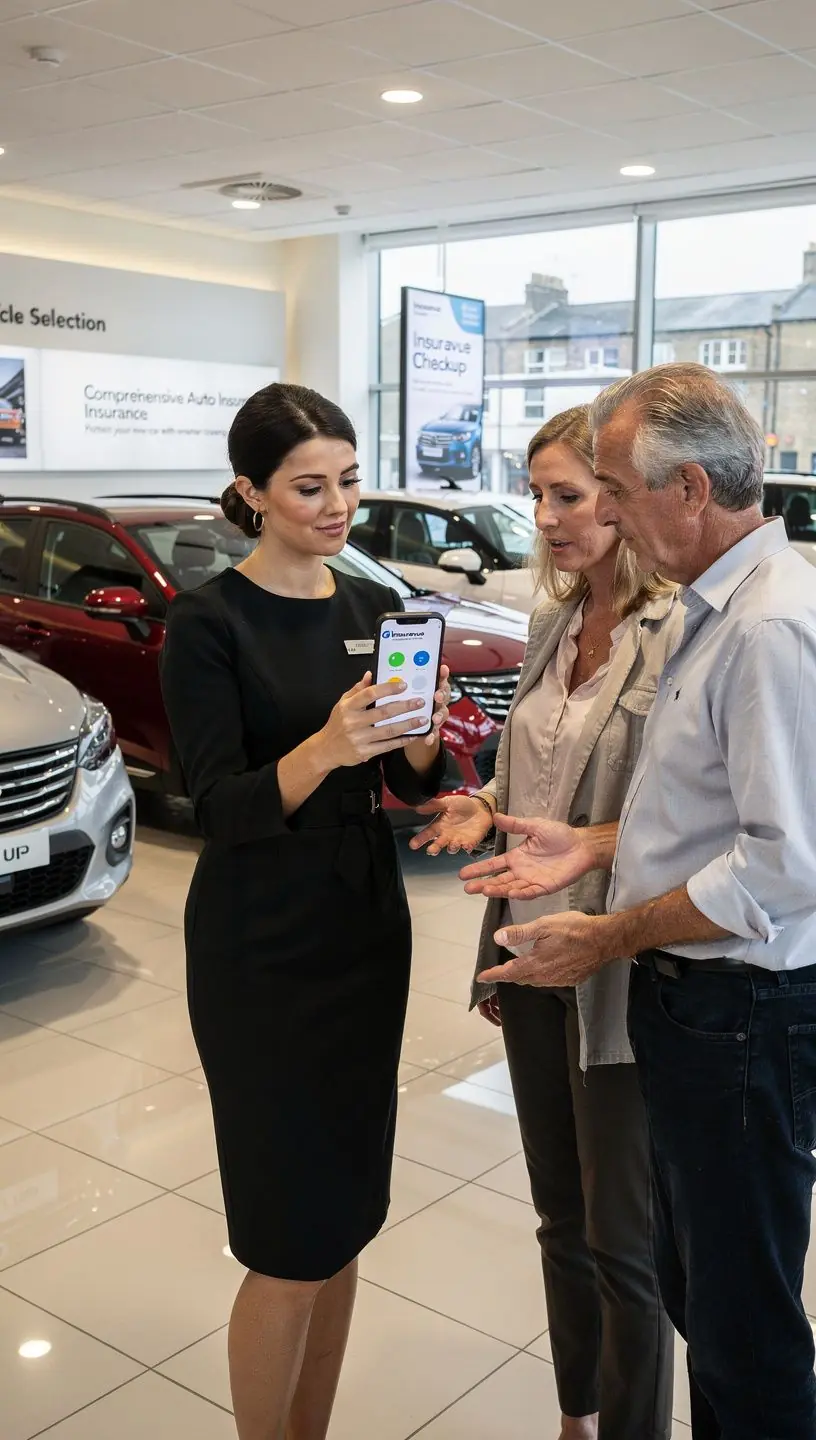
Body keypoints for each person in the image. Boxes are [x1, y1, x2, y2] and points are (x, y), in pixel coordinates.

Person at [462, 362, 816, 1440]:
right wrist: (583, 841)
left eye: (608, 486)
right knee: (700, 1291)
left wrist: (610, 927)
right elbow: (694, 811)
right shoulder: (720, 610)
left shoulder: (761, 627)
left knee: (737, 1323)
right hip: (685, 998)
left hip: (735, 1011)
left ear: (690, 491)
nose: (596, 511)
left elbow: (782, 864)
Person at [160, 383, 449, 1440]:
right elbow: (223, 805)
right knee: (288, 1237)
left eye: (350, 480)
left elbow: (417, 783)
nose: (338, 505)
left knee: (344, 1224)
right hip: (261, 946)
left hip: (363, 929)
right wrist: (327, 744)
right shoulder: (209, 621)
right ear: (252, 492)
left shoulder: (374, 607)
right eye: (310, 486)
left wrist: (417, 738)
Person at [412, 405, 679, 1440]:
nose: (548, 516)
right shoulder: (553, 622)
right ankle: (576, 1416)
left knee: (625, 1241)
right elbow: (534, 781)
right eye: (538, 495)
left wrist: (589, 845)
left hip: (617, 967)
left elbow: (688, 818)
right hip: (530, 954)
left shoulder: (681, 633)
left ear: (620, 498)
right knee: (560, 1219)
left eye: (568, 493)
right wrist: (484, 808)